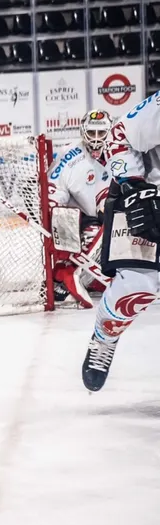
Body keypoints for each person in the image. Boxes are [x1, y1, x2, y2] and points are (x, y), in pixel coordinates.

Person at [82, 93, 160, 391]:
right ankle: (105, 336)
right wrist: (135, 188)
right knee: (138, 286)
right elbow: (120, 135)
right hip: (150, 198)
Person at [47, 110, 114, 307]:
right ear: (83, 132)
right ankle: (64, 277)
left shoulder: (121, 151)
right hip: (81, 219)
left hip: (111, 212)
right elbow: (54, 190)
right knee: (94, 233)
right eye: (91, 132)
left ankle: (97, 277)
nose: (96, 138)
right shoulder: (70, 154)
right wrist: (55, 210)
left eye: (101, 133)